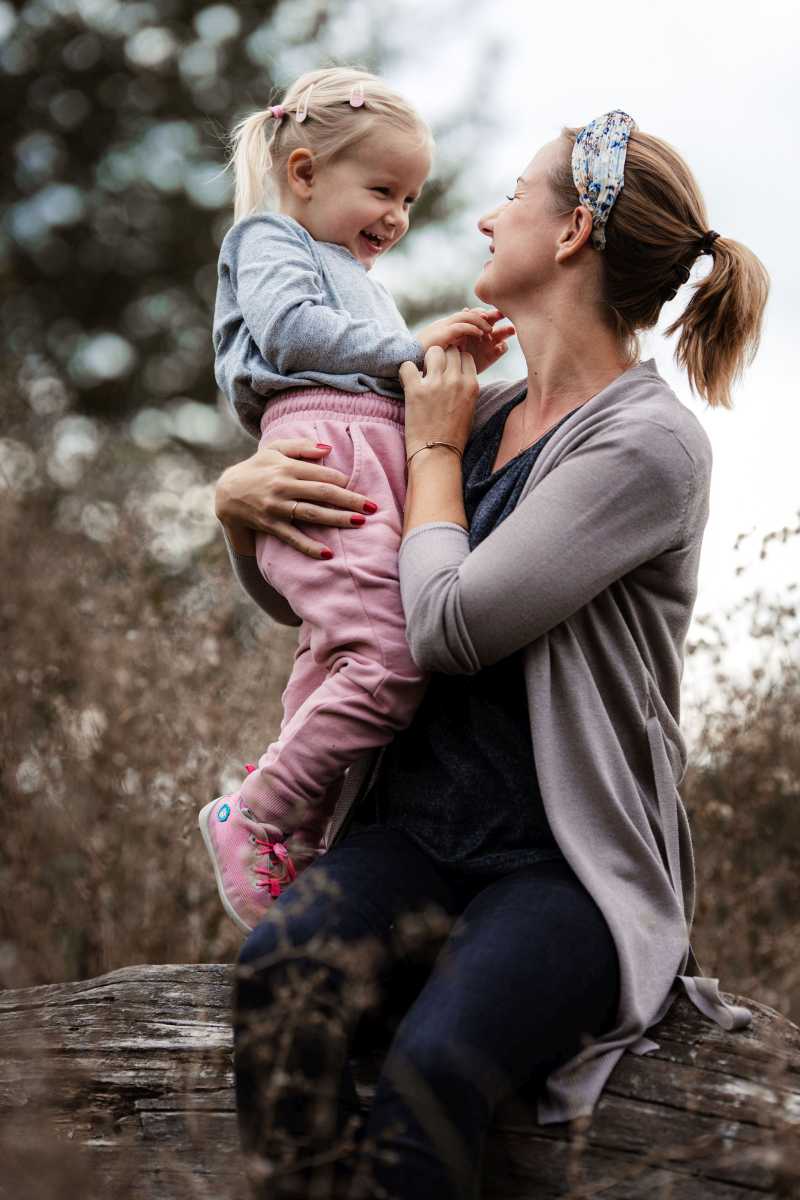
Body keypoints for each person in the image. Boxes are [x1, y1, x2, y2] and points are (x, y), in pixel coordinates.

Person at [213, 110, 769, 1199]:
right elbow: (325, 605)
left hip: (561, 868)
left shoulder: (644, 444)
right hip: (411, 836)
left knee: (430, 1075)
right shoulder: (475, 411)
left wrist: (428, 448)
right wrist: (239, 517)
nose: (479, 215)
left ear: (568, 233)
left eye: (510, 195)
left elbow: (447, 624)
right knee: (277, 979)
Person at [199, 67, 513, 934]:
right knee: (392, 659)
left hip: (367, 454)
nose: (398, 217)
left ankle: (293, 844)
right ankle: (255, 812)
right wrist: (409, 347)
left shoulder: (347, 269)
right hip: (323, 457)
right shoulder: (267, 239)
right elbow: (296, 331)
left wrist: (438, 365)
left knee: (335, 661)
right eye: (382, 189)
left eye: (410, 199)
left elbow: (373, 359)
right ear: (304, 172)